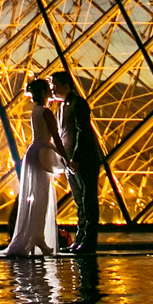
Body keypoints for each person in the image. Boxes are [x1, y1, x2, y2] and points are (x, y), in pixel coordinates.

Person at [0, 78, 67, 257]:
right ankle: (38, 238)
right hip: (42, 153)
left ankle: (37, 237)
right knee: (42, 197)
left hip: (33, 153)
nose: (52, 92)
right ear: (43, 93)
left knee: (35, 196)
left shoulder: (36, 110)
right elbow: (56, 137)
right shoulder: (46, 112)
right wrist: (66, 157)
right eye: (49, 90)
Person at [50, 70, 103, 254]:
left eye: (55, 85)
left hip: (84, 160)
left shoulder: (79, 104)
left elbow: (83, 132)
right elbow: (62, 135)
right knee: (79, 202)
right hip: (70, 161)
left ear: (66, 86)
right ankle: (81, 239)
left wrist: (76, 158)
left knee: (88, 201)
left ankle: (88, 242)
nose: (52, 89)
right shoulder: (61, 107)